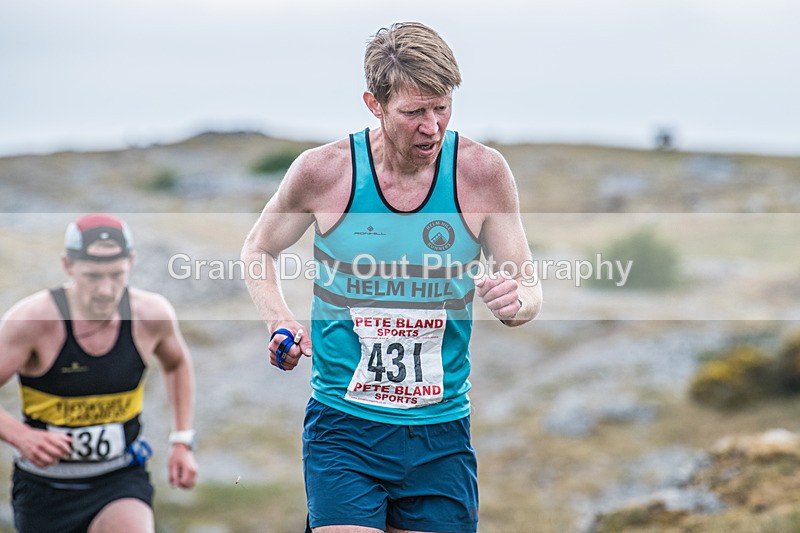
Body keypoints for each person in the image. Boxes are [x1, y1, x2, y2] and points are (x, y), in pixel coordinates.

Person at [242, 21, 542, 533]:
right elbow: (257, 249)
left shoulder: (482, 174)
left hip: (440, 433)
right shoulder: (325, 172)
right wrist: (280, 322)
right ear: (374, 104)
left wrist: (519, 303)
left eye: (442, 107)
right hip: (344, 427)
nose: (432, 126)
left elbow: (528, 287)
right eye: (414, 112)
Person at [0, 213, 198, 533]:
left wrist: (181, 441)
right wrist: (20, 436)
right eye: (92, 276)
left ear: (131, 262)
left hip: (120, 477)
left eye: (116, 275)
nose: (106, 290)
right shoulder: (33, 320)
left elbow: (176, 364)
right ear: (68, 266)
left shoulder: (151, 314)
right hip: (45, 489)